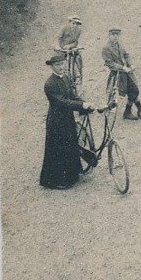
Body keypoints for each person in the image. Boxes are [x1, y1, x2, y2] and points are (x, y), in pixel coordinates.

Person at [39, 52, 94, 189]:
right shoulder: (49, 84)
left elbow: (73, 96)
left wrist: (85, 104)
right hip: (56, 121)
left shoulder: (67, 78)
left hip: (67, 118)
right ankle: (56, 181)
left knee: (70, 143)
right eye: (57, 65)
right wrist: (81, 105)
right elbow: (62, 102)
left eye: (62, 64)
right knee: (58, 148)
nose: (61, 67)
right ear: (52, 67)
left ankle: (72, 175)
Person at [102, 27, 141, 120]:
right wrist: (122, 67)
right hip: (117, 74)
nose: (115, 36)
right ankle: (132, 110)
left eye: (117, 34)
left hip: (127, 73)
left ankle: (134, 110)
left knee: (134, 89)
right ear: (109, 36)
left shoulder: (119, 44)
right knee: (128, 91)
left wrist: (131, 64)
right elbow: (109, 63)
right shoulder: (106, 48)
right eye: (113, 35)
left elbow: (126, 55)